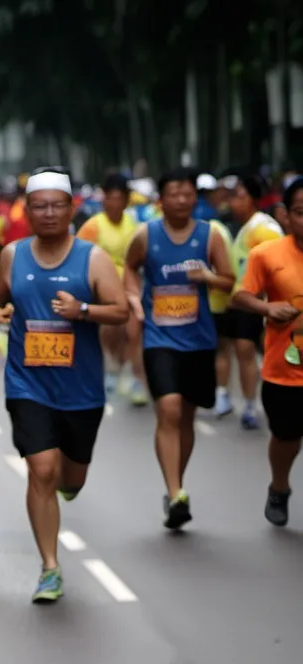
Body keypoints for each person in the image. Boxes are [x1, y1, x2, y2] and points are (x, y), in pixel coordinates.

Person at [0, 167, 128, 601]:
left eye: (56, 206)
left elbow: (120, 310)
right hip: (28, 384)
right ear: (27, 210)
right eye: (39, 206)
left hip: (81, 390)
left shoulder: (93, 259)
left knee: (71, 478)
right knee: (41, 470)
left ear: (71, 209)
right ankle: (49, 565)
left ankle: (71, 483)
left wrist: (84, 309)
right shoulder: (12, 255)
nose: (48, 214)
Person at [124, 169, 235, 529]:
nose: (182, 200)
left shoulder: (209, 235)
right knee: (168, 408)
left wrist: (207, 278)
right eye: (175, 194)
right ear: (162, 199)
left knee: (186, 414)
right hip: (160, 338)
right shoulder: (147, 235)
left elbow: (229, 279)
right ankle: (174, 493)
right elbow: (130, 266)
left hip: (199, 338)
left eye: (188, 194)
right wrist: (133, 300)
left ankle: (177, 485)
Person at [231, 175, 303, 525]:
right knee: (287, 439)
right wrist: (267, 309)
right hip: (285, 372)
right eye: (301, 212)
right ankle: (279, 485)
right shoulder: (266, 254)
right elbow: (241, 296)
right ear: (286, 215)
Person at [216, 175, 284, 426]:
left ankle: (251, 406)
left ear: (254, 200)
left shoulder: (265, 230)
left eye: (240, 197)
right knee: (229, 347)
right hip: (232, 302)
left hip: (255, 304)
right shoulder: (236, 227)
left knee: (247, 350)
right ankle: (228, 397)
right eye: (232, 197)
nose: (233, 202)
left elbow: (278, 270)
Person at [77, 173, 148, 405]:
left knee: (134, 331)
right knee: (110, 332)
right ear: (104, 199)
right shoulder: (93, 226)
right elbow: (79, 258)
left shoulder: (134, 226)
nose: (115, 204)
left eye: (120, 199)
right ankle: (113, 365)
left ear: (127, 201)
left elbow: (140, 258)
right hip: (103, 289)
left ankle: (138, 379)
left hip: (129, 286)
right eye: (110, 198)